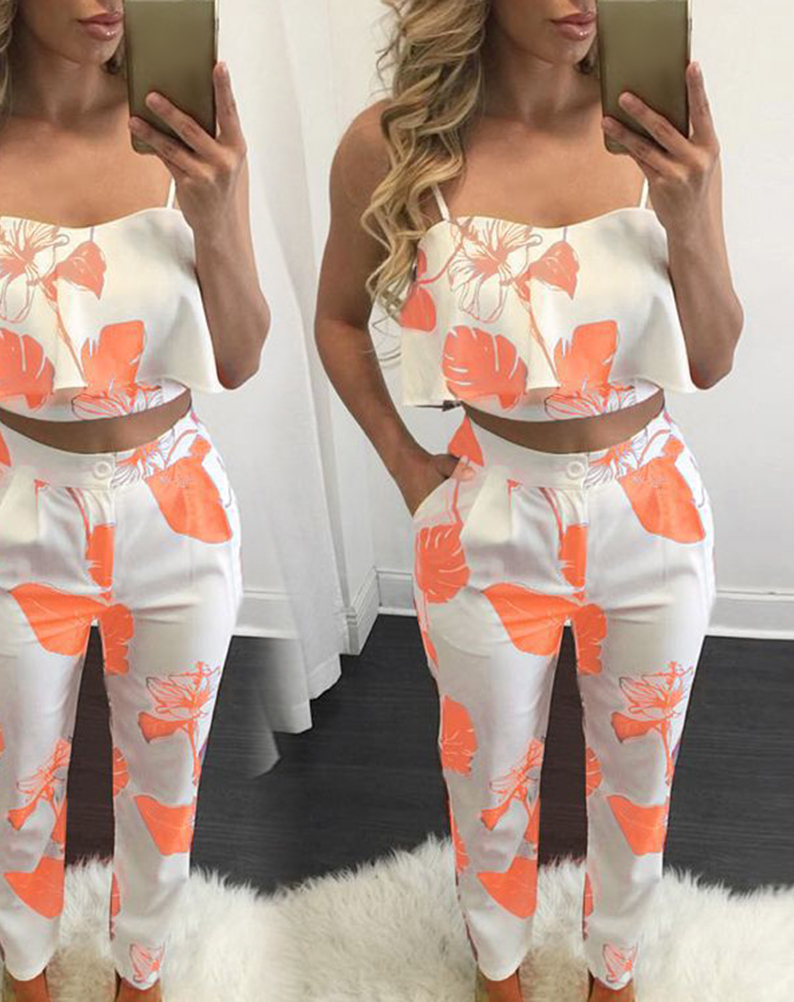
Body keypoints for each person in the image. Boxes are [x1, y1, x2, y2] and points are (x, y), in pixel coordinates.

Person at [0, 2, 269, 1000]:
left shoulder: (185, 133)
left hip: (179, 510)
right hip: (13, 511)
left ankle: (142, 971)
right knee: (15, 773)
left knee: (167, 775)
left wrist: (216, 209)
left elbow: (241, 356)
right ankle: (26, 970)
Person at [313, 2, 741, 1001]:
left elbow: (714, 356)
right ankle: (498, 969)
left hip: (650, 511)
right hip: (486, 513)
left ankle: (614, 972)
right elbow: (337, 319)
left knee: (640, 774)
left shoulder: (660, 134)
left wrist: (689, 209)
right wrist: (408, 467)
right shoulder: (392, 145)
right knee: (488, 773)